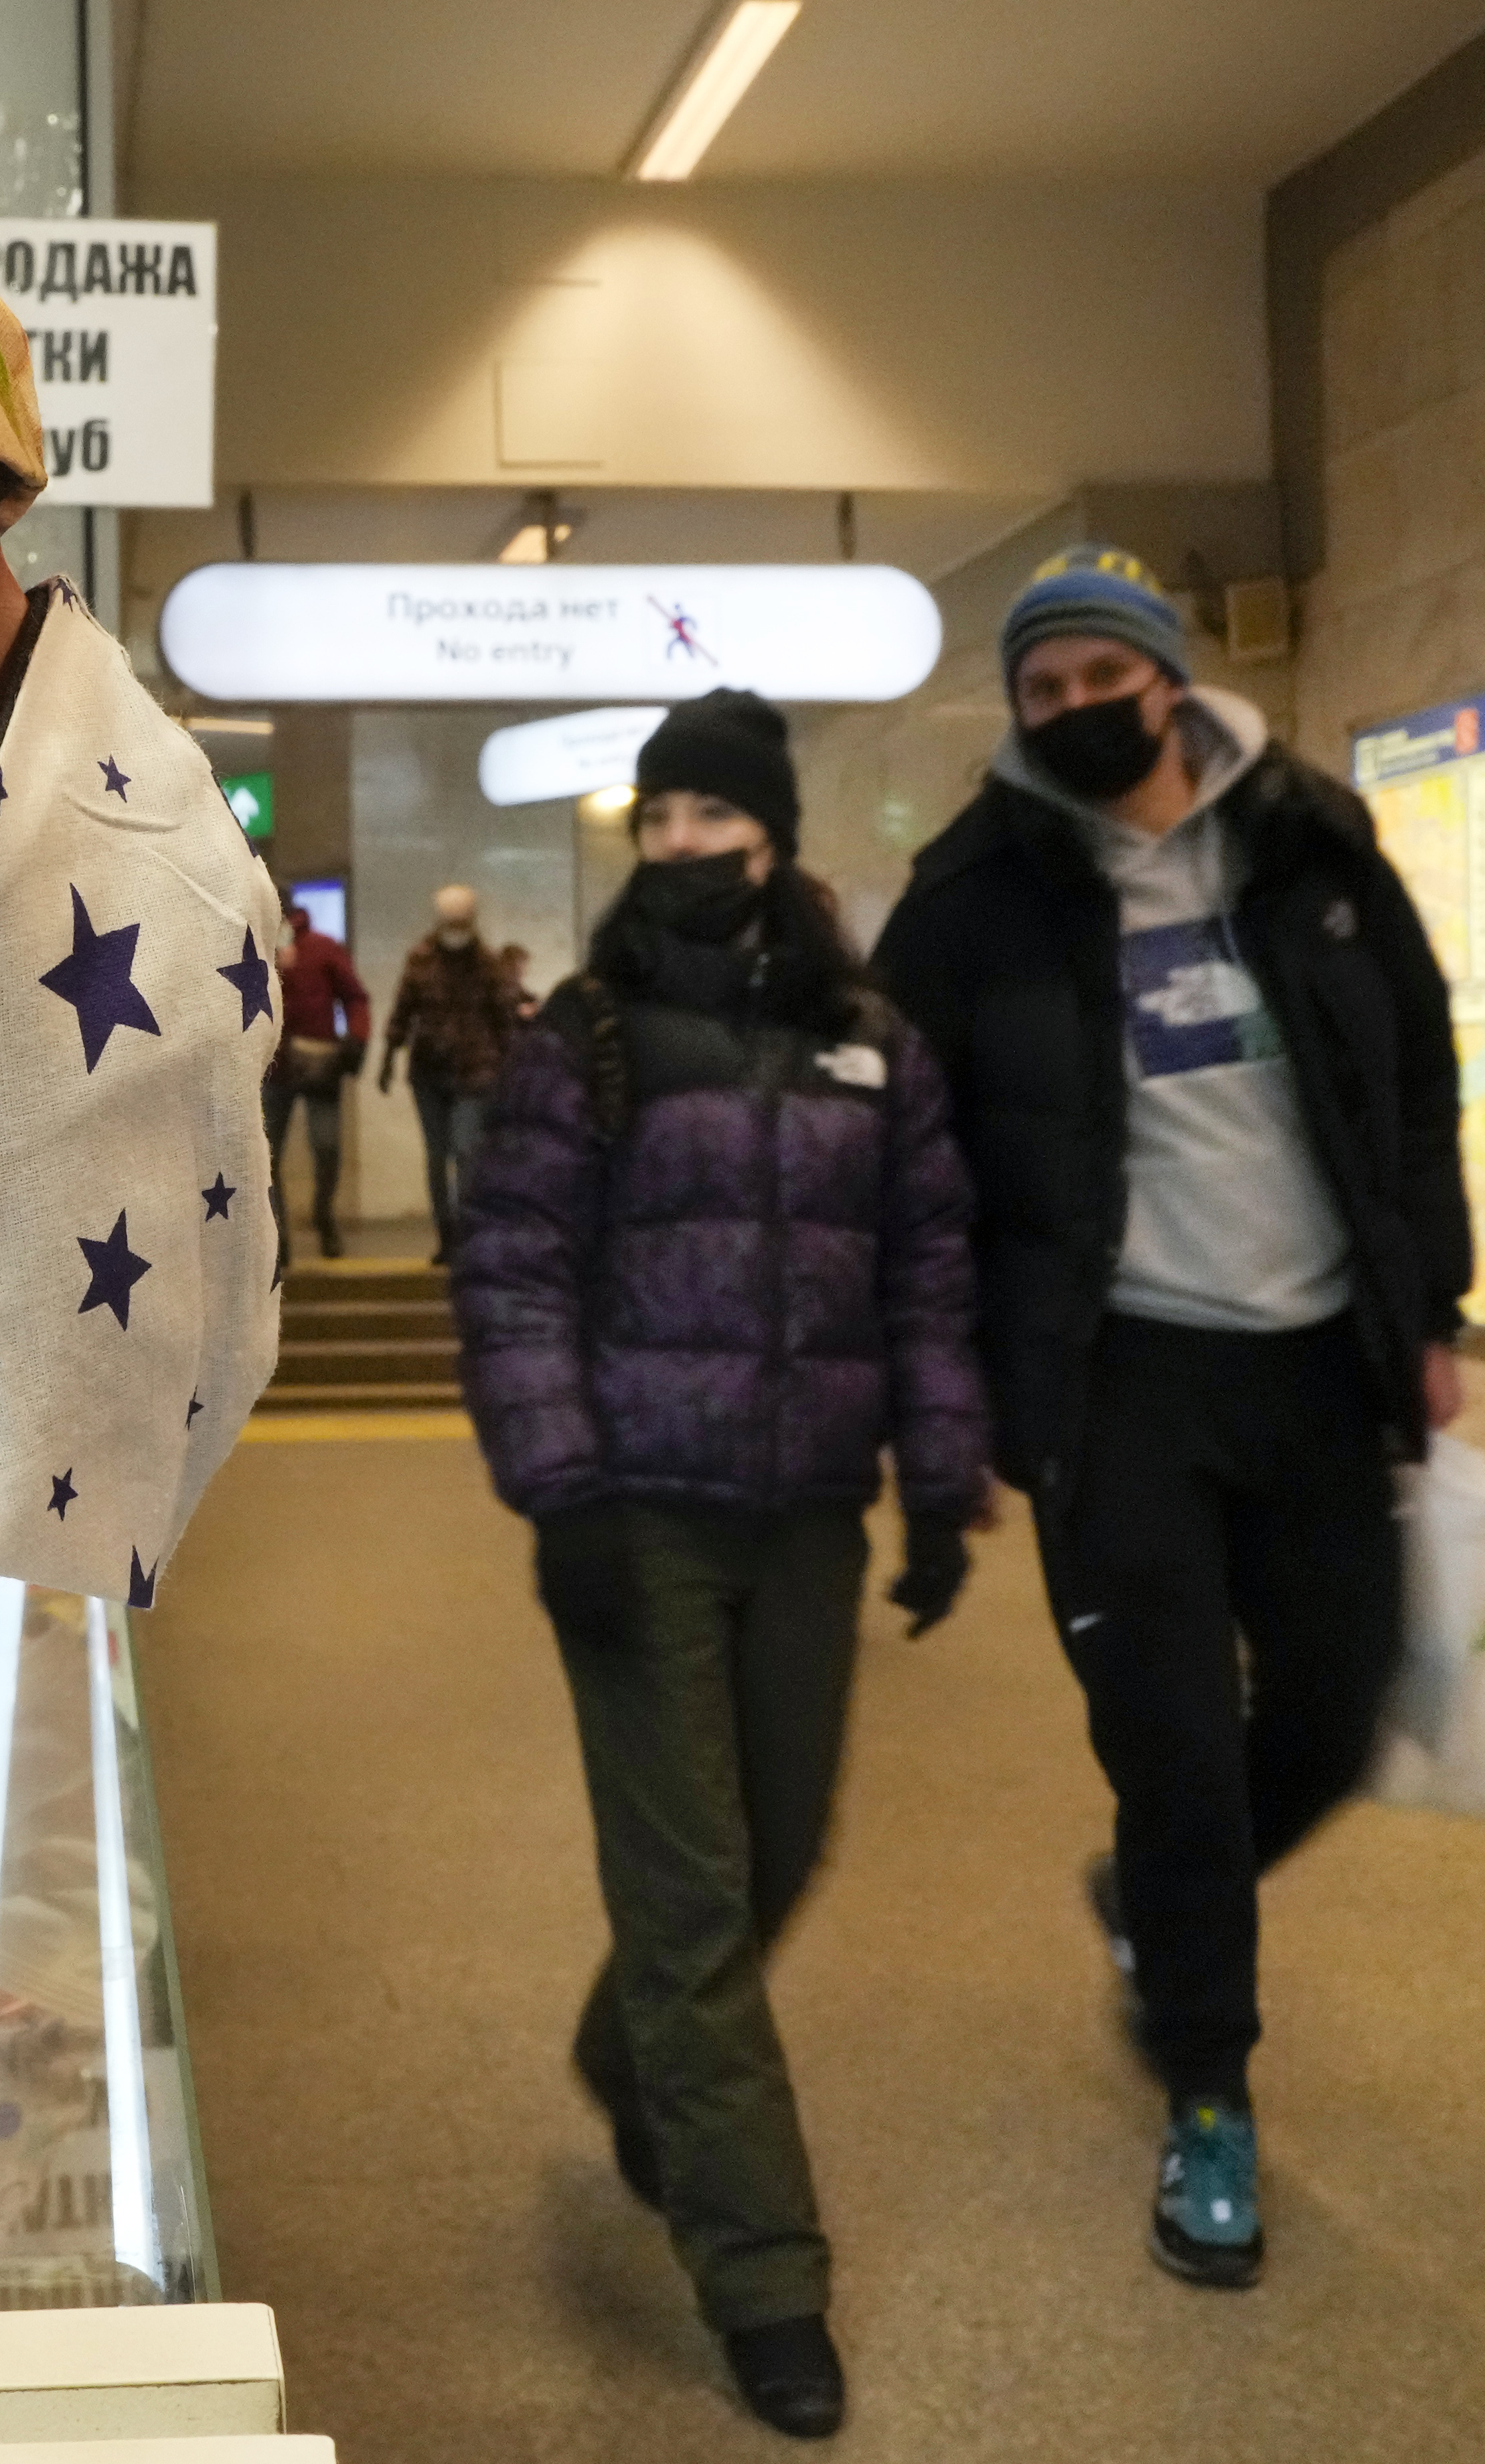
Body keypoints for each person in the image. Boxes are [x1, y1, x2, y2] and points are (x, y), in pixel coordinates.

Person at [872, 545, 1469, 2293]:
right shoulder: (972, 895)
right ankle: (1210, 2092)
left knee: (1341, 1707)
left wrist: (1430, 1308)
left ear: (1168, 679)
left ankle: (1152, 1900)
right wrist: (944, 1396)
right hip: (1115, 1376)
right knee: (1179, 1753)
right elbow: (907, 1163)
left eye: (1100, 677)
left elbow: (1417, 1080)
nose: (1075, 708)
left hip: (1316, 1359)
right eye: (1041, 689)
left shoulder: (1311, 841)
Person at [457, 690, 990, 2441]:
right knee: (691, 1898)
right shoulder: (589, 1036)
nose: (684, 844)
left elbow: (925, 1269)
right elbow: (514, 1269)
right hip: (644, 1517)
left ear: (776, 835)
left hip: (811, 1517)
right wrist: (564, 1493)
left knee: (782, 1848)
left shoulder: (867, 1038)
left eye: (713, 814)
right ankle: (766, 2275)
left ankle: (627, 2054)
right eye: (661, 817)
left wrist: (940, 1482)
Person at [380, 881, 516, 1255]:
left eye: (461, 923)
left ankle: (466, 1234)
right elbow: (403, 1010)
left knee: (466, 1151)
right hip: (429, 1072)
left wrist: (512, 1068)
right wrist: (387, 1058)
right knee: (438, 1156)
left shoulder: (488, 964)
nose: (456, 931)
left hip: (475, 1072)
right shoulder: (420, 960)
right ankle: (446, 1235)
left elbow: (504, 1020)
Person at [264, 901, 370, 1265]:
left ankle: (324, 1213)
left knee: (327, 1147)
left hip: (319, 1064)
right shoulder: (254, 947)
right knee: (268, 1157)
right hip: (273, 1067)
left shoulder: (322, 948)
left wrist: (357, 1038)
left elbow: (354, 996)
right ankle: (279, 1235)